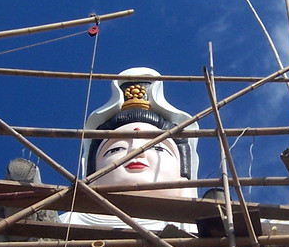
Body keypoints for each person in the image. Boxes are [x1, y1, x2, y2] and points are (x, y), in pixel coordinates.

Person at [61, 67, 199, 230]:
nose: (136, 152)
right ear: (92, 173)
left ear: (183, 173)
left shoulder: (199, 228)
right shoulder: (65, 223)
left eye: (158, 148)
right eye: (116, 149)